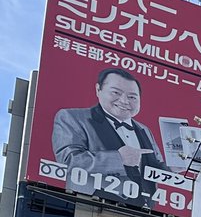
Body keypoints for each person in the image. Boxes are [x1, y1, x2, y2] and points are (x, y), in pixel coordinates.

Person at [51, 68, 167, 209]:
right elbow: (68, 160)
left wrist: (172, 169)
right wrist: (119, 158)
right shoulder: (72, 117)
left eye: (132, 97)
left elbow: (154, 167)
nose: (124, 101)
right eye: (116, 93)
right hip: (92, 204)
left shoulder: (144, 129)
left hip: (145, 210)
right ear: (98, 90)